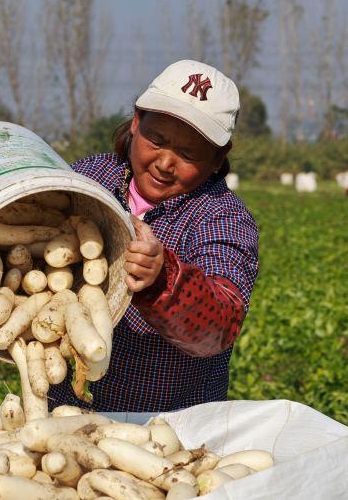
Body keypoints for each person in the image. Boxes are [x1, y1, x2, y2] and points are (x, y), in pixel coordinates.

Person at [48, 59, 259, 413]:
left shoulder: (221, 217)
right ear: (135, 122)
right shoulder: (89, 178)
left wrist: (163, 279)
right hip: (60, 413)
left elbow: (220, 325)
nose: (165, 163)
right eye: (157, 140)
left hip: (165, 430)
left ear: (217, 159)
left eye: (188, 153)